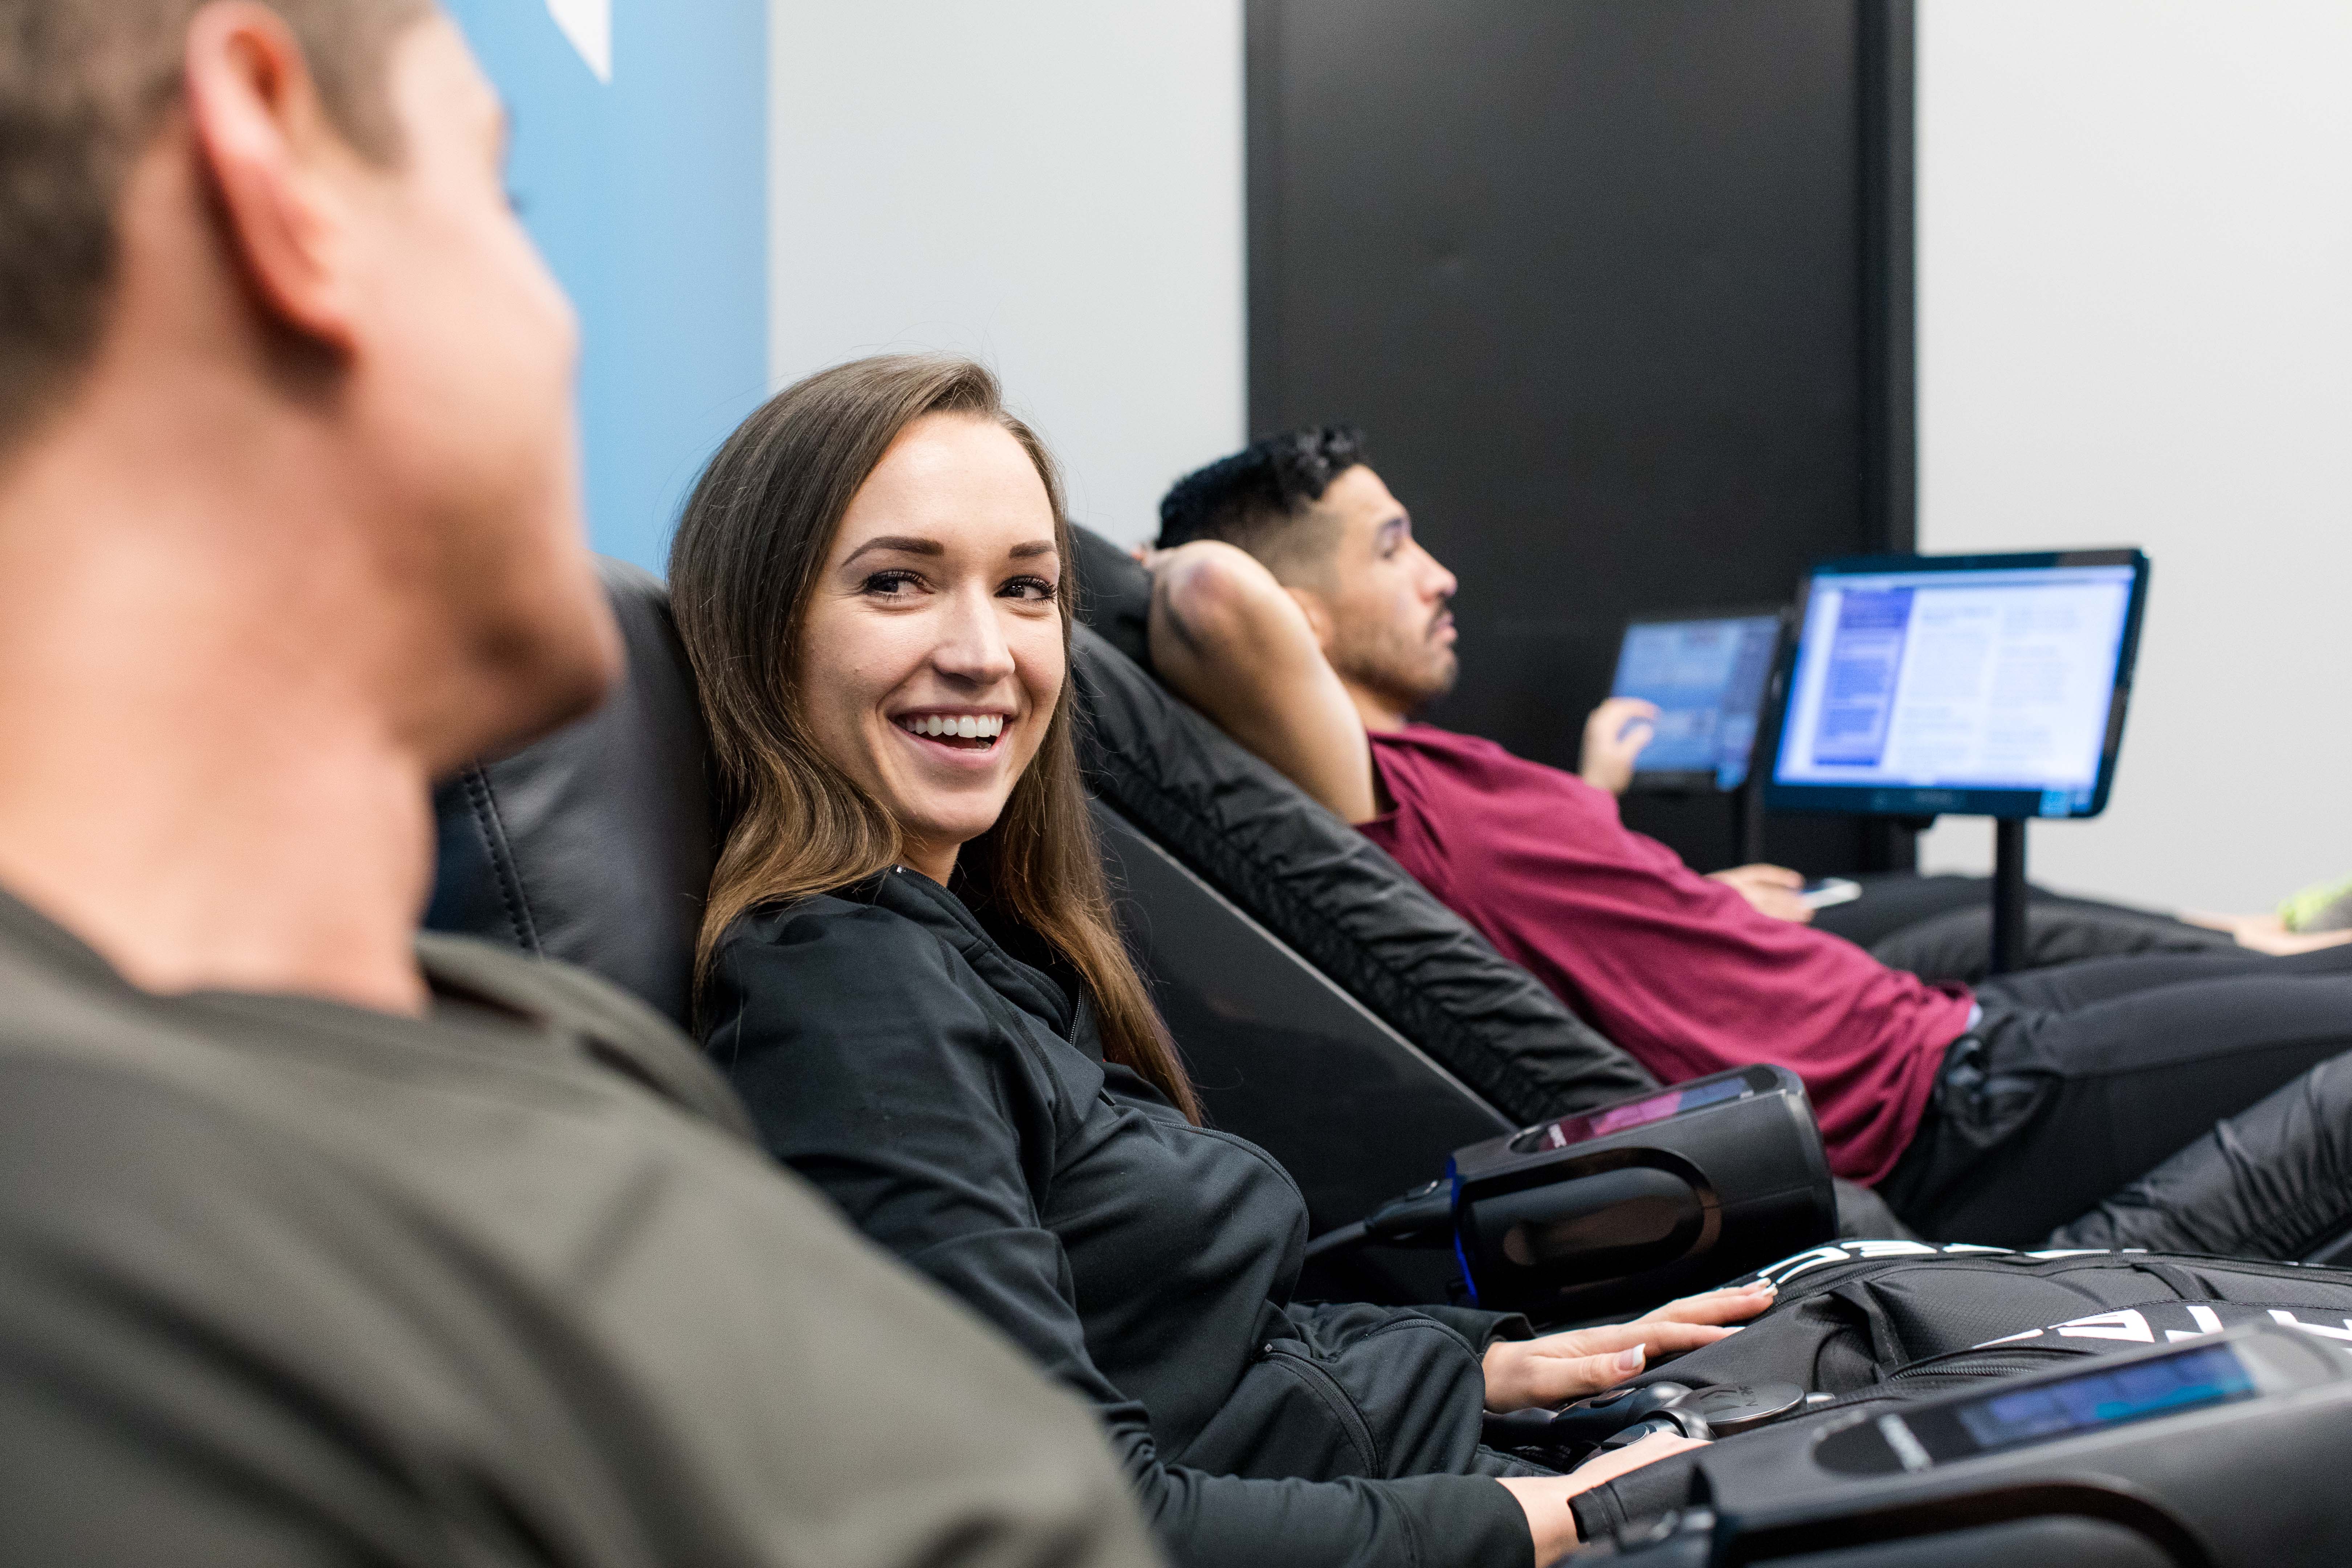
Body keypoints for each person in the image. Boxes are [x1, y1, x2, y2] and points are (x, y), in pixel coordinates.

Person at [0, 5, 1163, 1564]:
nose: (563, 323)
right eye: (503, 199)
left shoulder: (516, 1068)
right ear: (273, 164)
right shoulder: (110, 1250)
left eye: (1029, 592)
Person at [675, 354, 1783, 1568]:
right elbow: (1079, 1528)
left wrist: (1479, 1369)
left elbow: (1194, 1359)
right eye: (898, 584)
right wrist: (1555, 1518)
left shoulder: (970, 946)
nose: (985, 652)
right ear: (763, 628)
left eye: (1027, 590)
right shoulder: (847, 1004)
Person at [1140, 426, 2352, 1244]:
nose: (1441, 575)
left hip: (1949, 1039)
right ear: (1296, 614)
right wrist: (1119, 570)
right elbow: (1211, 597)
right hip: (1950, 1107)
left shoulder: (1426, 777)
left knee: (2305, 964)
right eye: (1395, 547)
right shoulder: (1367, 799)